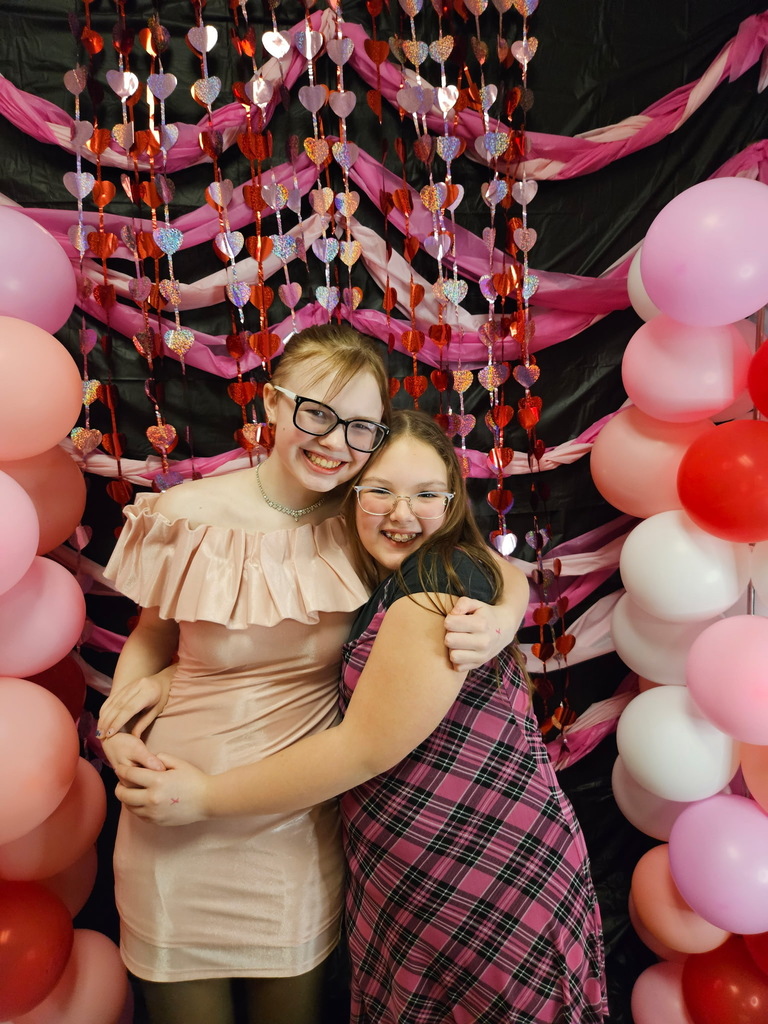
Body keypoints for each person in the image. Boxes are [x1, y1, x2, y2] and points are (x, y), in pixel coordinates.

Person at [112, 408, 608, 1024]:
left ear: (452, 503)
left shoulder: (439, 579)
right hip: (406, 868)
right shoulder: (369, 580)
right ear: (350, 498)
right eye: (381, 491)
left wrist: (204, 796)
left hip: (478, 870)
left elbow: (364, 747)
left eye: (427, 494)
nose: (403, 514)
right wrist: (171, 674)